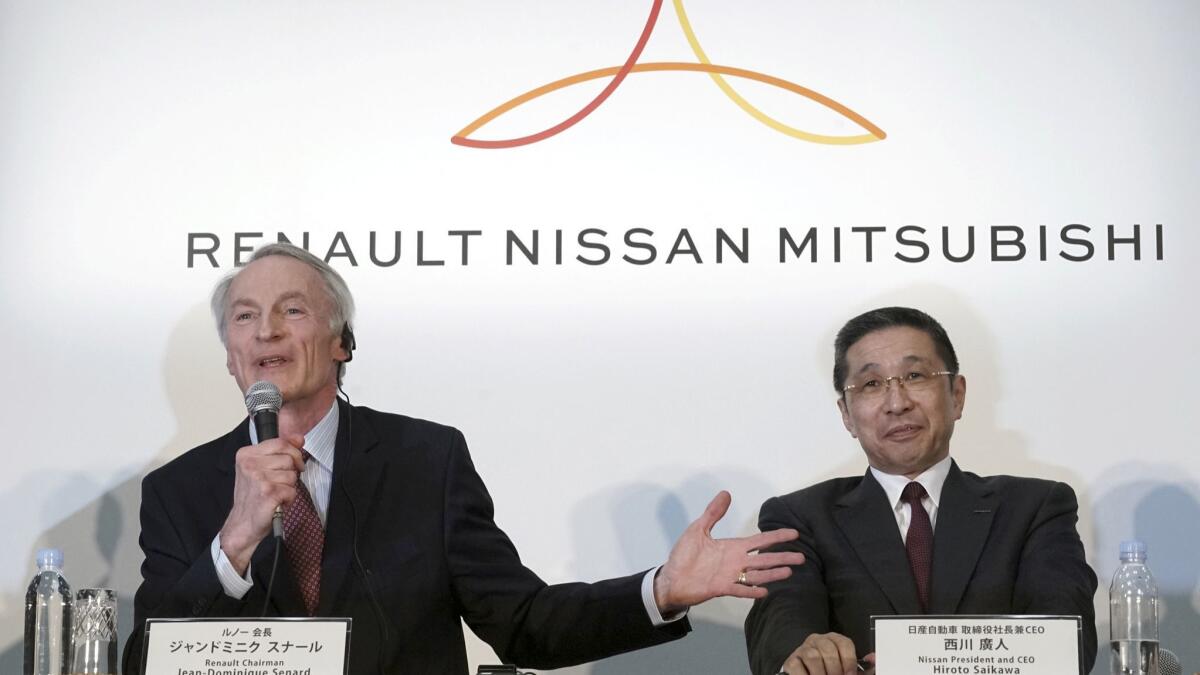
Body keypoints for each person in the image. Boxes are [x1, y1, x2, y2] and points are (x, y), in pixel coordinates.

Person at [122, 242, 806, 675]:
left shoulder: (426, 459)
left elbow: (524, 624)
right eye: (244, 316)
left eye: (291, 309)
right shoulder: (178, 490)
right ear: (230, 354)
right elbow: (146, 656)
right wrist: (234, 540)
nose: (265, 328)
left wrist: (659, 590)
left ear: (342, 342)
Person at [744, 307, 1098, 675]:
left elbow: (1064, 644)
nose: (897, 403)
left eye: (915, 375)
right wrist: (804, 654)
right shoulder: (800, 518)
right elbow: (780, 627)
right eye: (871, 384)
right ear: (846, 414)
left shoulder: (1035, 508)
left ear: (956, 395)